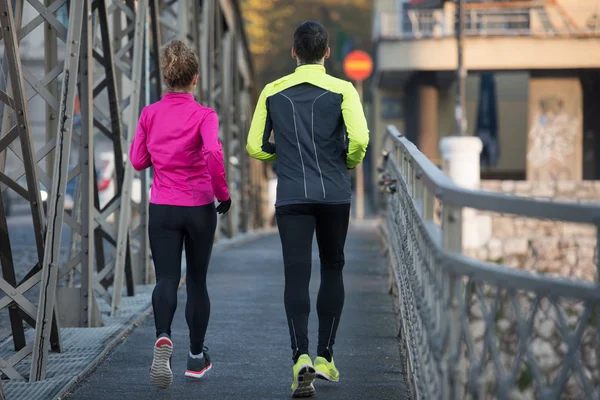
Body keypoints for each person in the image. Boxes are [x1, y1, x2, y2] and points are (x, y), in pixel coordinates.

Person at [246, 21, 369, 397]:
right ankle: (325, 357)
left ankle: (299, 357)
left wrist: (279, 155)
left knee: (296, 276)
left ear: (294, 53)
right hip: (333, 194)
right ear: (327, 53)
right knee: (333, 268)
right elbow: (360, 139)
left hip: (292, 196)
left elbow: (254, 146)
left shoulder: (272, 91)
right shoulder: (344, 89)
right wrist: (346, 160)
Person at [129, 40, 231, 389]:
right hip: (199, 206)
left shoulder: (149, 114)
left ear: (166, 77)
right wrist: (223, 194)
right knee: (198, 281)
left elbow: (138, 161)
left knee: (167, 279)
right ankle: (196, 359)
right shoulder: (205, 115)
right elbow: (214, 153)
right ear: (195, 79)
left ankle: (162, 337)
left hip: (163, 208)